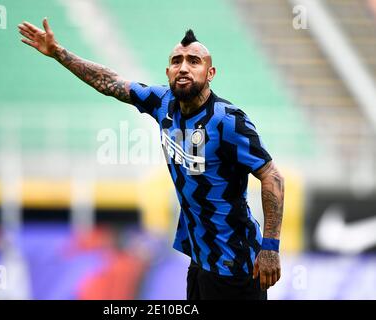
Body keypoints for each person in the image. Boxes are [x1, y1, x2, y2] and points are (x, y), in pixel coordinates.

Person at [18, 18, 284, 300]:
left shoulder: (228, 122)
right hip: (200, 260)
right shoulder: (162, 102)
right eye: (177, 60)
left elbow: (273, 176)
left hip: (235, 263)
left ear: (210, 73)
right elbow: (109, 82)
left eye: (194, 61)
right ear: (168, 71)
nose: (183, 67)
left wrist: (270, 247)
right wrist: (59, 53)